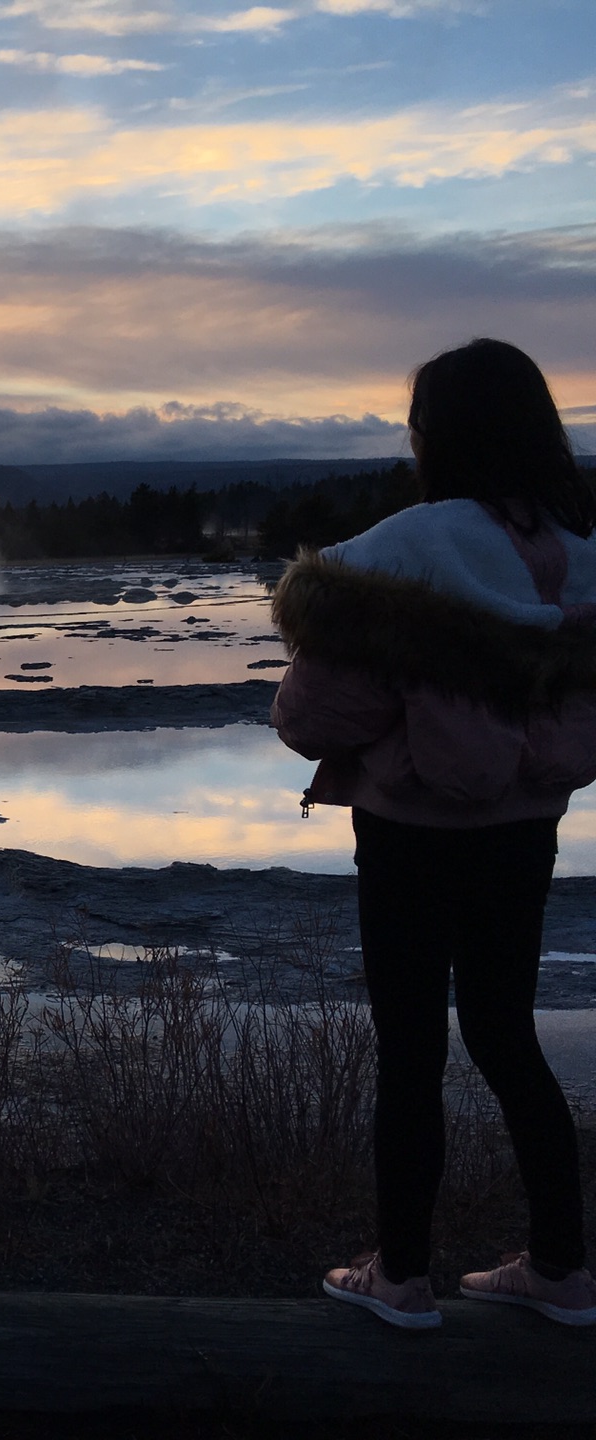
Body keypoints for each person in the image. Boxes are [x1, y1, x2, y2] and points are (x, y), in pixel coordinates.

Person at [272, 337, 596, 1329]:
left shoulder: (400, 555)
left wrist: (405, 717)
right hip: (527, 833)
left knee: (409, 1048)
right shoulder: (579, 556)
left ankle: (402, 1277)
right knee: (508, 1037)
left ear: (436, 438)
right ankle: (562, 1270)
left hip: (410, 837)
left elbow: (312, 720)